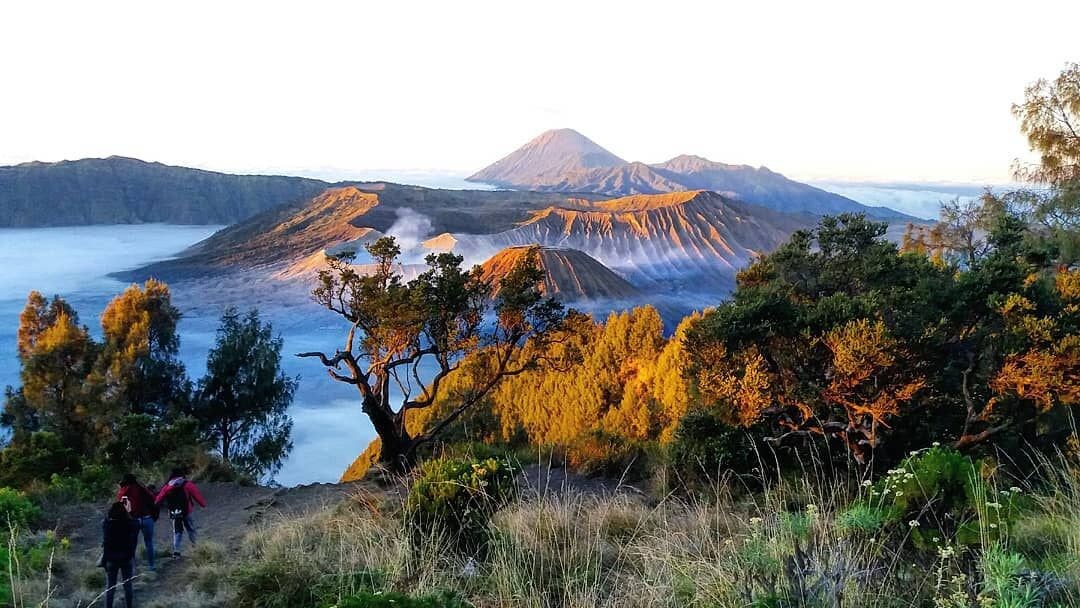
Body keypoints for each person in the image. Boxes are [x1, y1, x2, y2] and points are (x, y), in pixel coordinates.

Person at [154, 469, 206, 558]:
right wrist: (203, 504)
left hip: (174, 512)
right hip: (187, 511)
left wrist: (155, 507)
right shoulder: (187, 484)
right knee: (191, 530)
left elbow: (158, 499)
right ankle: (196, 548)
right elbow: (197, 495)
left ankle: (176, 551)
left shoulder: (167, 486)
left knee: (177, 531)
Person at [116, 474, 158, 571]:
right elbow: (153, 498)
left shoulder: (124, 490)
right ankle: (152, 566)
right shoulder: (141, 487)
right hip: (147, 518)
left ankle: (134, 568)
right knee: (149, 543)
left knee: (132, 544)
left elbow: (120, 504)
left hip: (133, 520)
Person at [101, 501, 138, 608]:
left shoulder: (107, 524)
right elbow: (136, 524)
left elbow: (106, 541)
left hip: (111, 559)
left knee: (110, 587)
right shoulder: (130, 524)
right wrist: (130, 512)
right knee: (128, 585)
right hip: (126, 558)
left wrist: (104, 561)